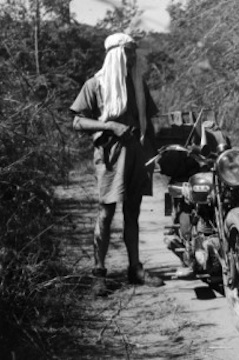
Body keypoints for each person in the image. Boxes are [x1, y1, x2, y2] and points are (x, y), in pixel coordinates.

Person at [70, 33, 163, 296]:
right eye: (128, 52)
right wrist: (108, 124)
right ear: (116, 55)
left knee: (132, 212)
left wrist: (155, 154)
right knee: (106, 212)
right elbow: (77, 121)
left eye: (134, 52)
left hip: (137, 154)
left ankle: (135, 269)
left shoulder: (137, 84)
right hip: (110, 156)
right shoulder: (94, 85)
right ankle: (99, 272)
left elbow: (150, 122)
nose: (133, 57)